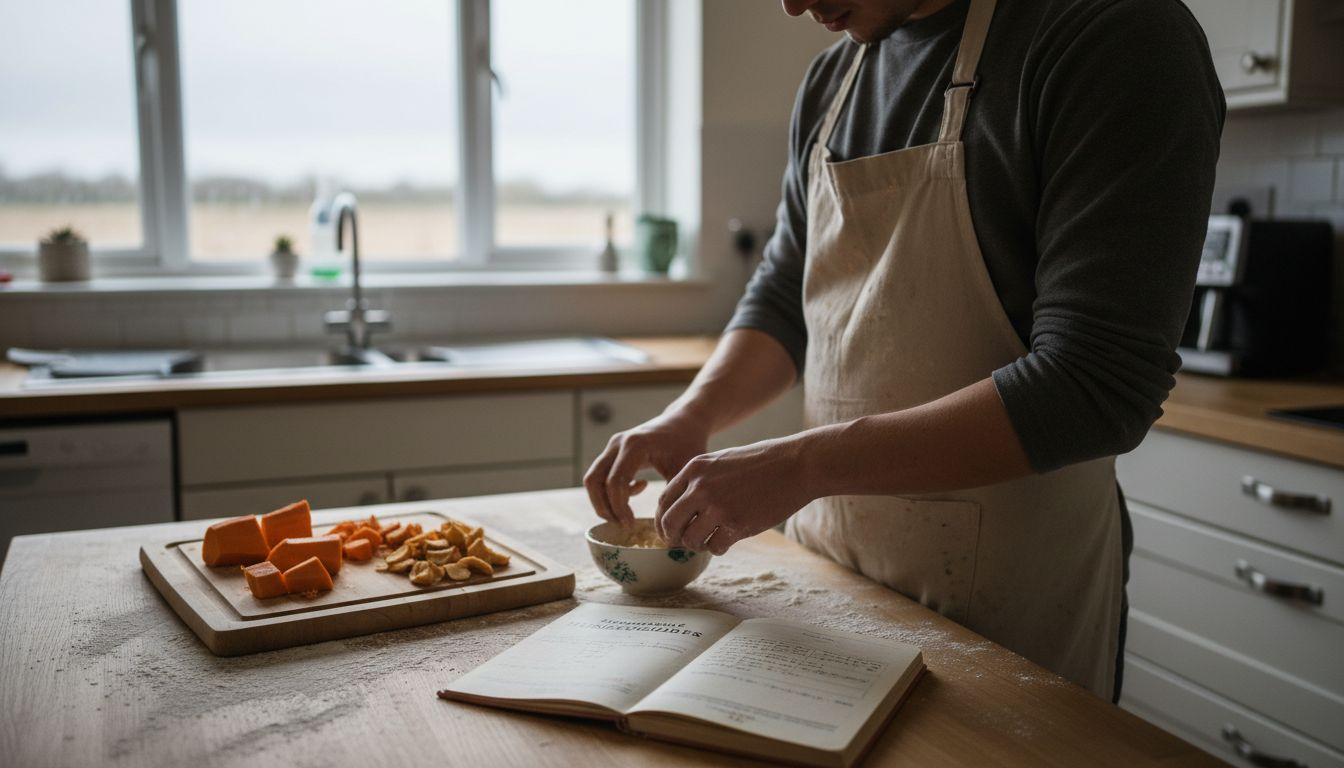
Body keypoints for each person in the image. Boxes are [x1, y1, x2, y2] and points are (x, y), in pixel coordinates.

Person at [584, 0, 1224, 702]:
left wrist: (804, 463)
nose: (792, 4)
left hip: (1010, 615)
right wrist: (693, 414)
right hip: (834, 579)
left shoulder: (1113, 35)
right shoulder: (834, 82)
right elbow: (782, 300)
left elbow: (1095, 384)